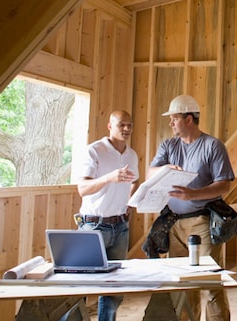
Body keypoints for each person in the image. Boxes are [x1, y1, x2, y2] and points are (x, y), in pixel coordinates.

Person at [149, 94, 235, 321]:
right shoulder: (169, 145)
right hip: (174, 223)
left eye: (174, 118)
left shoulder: (213, 146)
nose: (170, 123)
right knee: (182, 283)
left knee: (209, 282)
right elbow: (150, 173)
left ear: (189, 119)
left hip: (202, 222)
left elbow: (224, 184)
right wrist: (165, 169)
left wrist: (193, 194)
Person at [74, 110, 139, 321]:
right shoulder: (94, 151)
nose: (127, 129)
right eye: (122, 125)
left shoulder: (131, 154)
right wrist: (109, 178)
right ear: (110, 126)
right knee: (79, 285)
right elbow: (82, 188)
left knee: (114, 287)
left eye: (130, 125)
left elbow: (134, 181)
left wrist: (129, 203)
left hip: (120, 226)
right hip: (93, 226)